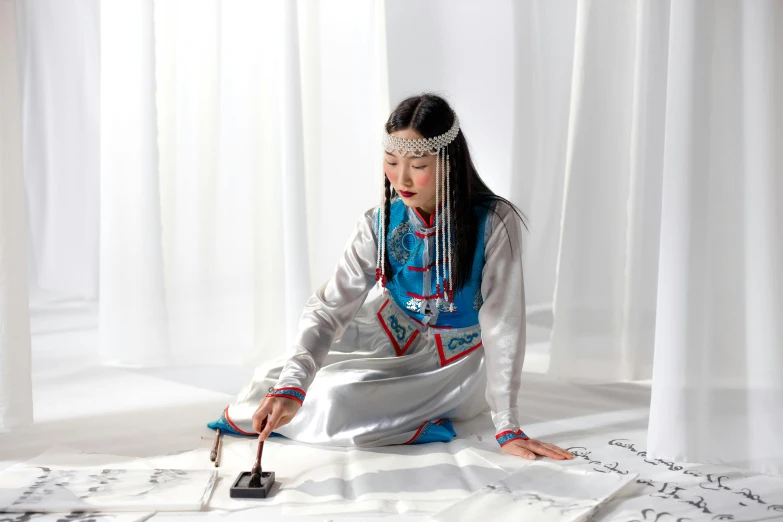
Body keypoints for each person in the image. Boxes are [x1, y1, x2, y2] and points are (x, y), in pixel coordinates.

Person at [208, 93, 573, 460]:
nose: (402, 178)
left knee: (337, 398)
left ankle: (417, 420)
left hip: (453, 362)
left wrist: (507, 424)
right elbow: (329, 307)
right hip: (386, 330)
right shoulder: (379, 222)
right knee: (270, 380)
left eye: (417, 164)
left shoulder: (493, 221)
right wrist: (291, 386)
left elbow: (502, 324)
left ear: (448, 161)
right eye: (391, 161)